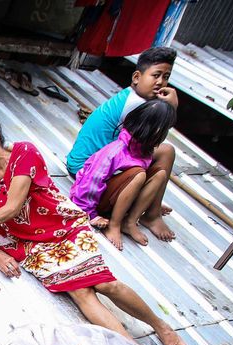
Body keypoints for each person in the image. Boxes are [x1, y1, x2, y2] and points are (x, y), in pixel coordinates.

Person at [0, 115, 190, 345]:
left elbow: (12, 206)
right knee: (80, 292)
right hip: (31, 245)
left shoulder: (23, 154)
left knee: (104, 283)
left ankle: (162, 328)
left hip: (62, 227)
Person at [66, 46, 179, 243]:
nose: (161, 82)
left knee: (166, 152)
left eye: (166, 77)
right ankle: (142, 216)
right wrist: (172, 107)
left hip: (105, 163)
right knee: (146, 167)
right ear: (136, 77)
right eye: (156, 75)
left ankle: (151, 211)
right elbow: (151, 139)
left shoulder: (135, 97)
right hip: (88, 170)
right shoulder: (135, 107)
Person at [70, 99, 178, 250]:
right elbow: (90, 182)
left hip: (119, 198)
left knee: (159, 175)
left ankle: (130, 222)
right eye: (164, 130)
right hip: (96, 202)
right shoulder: (116, 150)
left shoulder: (143, 150)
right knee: (138, 175)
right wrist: (90, 214)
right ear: (155, 131)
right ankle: (114, 225)